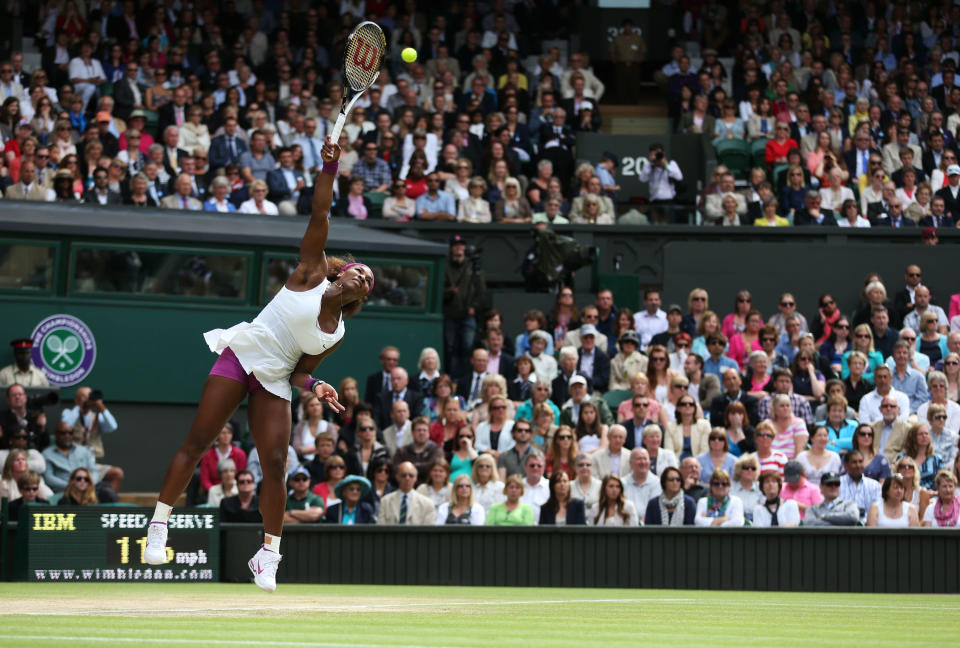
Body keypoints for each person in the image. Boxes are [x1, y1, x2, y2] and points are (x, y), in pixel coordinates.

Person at [144, 137, 371, 593]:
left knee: (274, 463)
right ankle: (159, 524)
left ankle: (268, 556)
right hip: (243, 354)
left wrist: (318, 385)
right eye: (359, 270)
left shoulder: (338, 332)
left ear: (361, 296)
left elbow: (299, 371)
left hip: (275, 379)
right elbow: (321, 214)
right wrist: (329, 168)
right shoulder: (311, 271)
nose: (362, 277)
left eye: (368, 281)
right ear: (341, 271)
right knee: (199, 441)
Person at [42, 422, 97, 492]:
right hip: (63, 490)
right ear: (56, 434)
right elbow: (48, 477)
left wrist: (88, 483)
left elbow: (94, 471)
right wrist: (70, 485)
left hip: (87, 488)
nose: (67, 436)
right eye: (63, 433)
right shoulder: (47, 454)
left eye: (70, 433)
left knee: (106, 491)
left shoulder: (84, 450)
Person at [198, 423, 247, 494]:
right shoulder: (207, 455)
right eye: (223, 433)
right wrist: (214, 491)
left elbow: (241, 476)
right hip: (213, 491)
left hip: (235, 491)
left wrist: (233, 491)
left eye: (229, 433)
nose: (226, 436)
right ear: (217, 435)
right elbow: (205, 480)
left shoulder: (240, 454)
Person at [839, 450, 882, 523]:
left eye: (860, 461)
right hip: (843, 526)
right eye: (854, 462)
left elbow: (878, 511)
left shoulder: (875, 485)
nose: (858, 465)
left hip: (868, 528)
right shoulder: (838, 483)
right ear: (846, 465)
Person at [899, 423, 945, 490]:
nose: (924, 436)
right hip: (907, 493)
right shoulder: (902, 457)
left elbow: (942, 481)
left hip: (931, 495)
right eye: (920, 434)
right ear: (913, 437)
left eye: (926, 434)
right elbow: (896, 478)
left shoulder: (937, 459)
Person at [622, 447, 661, 521]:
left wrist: (641, 525)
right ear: (630, 463)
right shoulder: (622, 483)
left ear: (649, 462)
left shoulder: (657, 483)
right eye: (639, 459)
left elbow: (655, 509)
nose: (643, 462)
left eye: (645, 459)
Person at [731, 454, 763, 518]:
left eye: (753, 468)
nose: (750, 470)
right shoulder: (730, 487)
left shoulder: (761, 487)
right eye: (746, 468)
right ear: (739, 469)